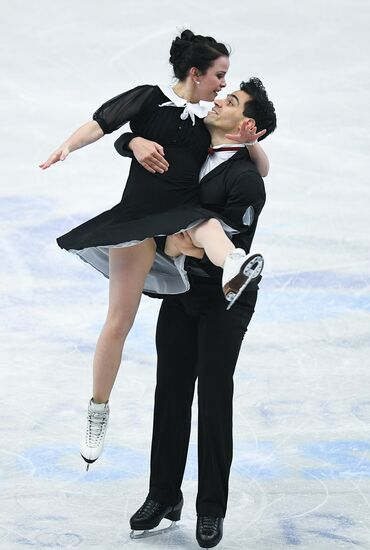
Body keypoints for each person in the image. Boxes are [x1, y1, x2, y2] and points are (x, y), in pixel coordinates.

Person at [39, 30, 269, 469]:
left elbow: (259, 166)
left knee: (205, 226)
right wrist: (111, 142)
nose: (223, 84)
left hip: (180, 216)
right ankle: (97, 409)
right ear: (195, 73)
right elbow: (102, 123)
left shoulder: (207, 125)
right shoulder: (148, 100)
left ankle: (237, 266)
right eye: (219, 76)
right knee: (119, 322)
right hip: (138, 221)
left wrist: (252, 137)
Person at [121, 78, 276, 548]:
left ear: (245, 125)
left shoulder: (245, 178)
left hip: (225, 298)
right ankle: (163, 495)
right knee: (169, 393)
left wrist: (172, 240)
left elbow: (215, 248)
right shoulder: (188, 148)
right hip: (181, 290)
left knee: (212, 397)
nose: (218, 100)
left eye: (230, 102)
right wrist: (130, 139)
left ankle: (211, 508)